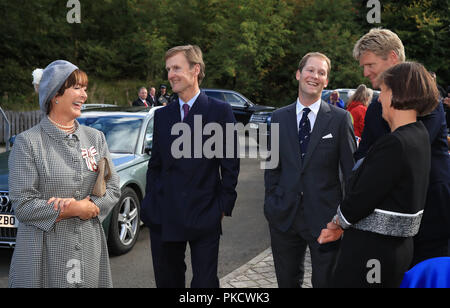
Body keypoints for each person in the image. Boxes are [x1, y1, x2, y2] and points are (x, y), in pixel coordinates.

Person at [318, 62, 440, 288]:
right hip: (395, 250)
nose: (379, 99)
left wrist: (337, 223)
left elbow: (361, 197)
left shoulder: (396, 144)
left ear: (395, 94)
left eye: (383, 91)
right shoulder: (419, 134)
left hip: (372, 254)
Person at [8, 60, 121, 288]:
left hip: (88, 247)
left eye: (85, 89)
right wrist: (71, 209)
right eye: (77, 88)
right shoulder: (27, 143)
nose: (84, 95)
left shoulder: (95, 138)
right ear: (55, 95)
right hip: (43, 253)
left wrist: (90, 205)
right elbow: (23, 204)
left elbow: (113, 188)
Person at [140, 45, 240, 288]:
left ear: (195, 69)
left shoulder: (220, 111)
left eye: (176, 68)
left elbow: (230, 164)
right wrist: (151, 201)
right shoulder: (163, 115)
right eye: (168, 69)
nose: (170, 74)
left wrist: (223, 206)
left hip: (205, 212)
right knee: (168, 281)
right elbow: (155, 165)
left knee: (205, 284)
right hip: (164, 214)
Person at [352, 28, 450, 265]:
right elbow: (362, 156)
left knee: (429, 275)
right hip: (390, 215)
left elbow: (408, 151)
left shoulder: (427, 98)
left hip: (433, 211)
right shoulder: (375, 107)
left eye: (370, 64)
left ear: (393, 58)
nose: (365, 73)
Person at [264, 52, 356, 288]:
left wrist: (342, 219)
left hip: (326, 220)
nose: (314, 76)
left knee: (325, 283)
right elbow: (271, 168)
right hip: (284, 217)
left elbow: (350, 173)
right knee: (287, 282)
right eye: (310, 70)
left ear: (326, 81)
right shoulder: (277, 118)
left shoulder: (340, 118)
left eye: (321, 73)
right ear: (298, 74)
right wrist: (272, 206)